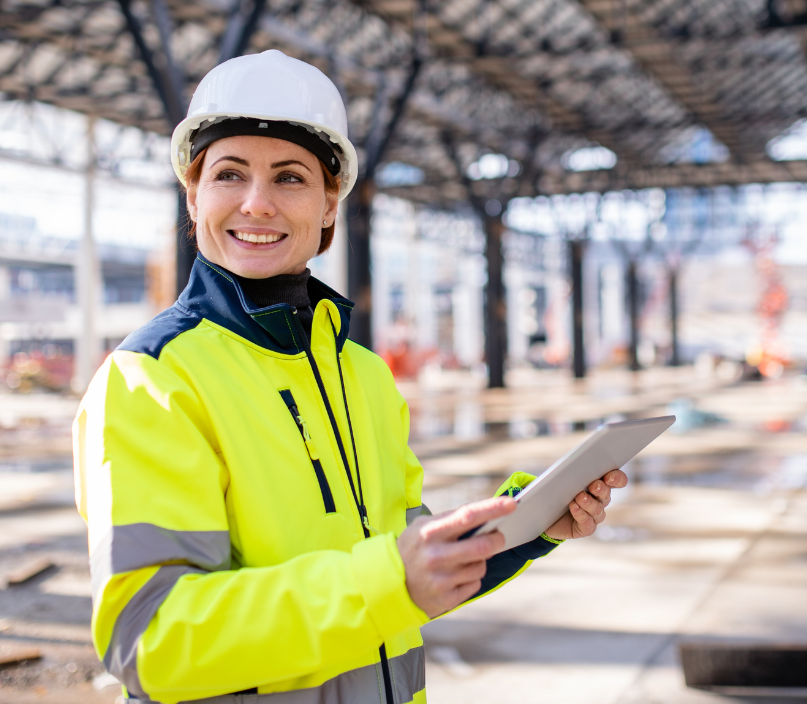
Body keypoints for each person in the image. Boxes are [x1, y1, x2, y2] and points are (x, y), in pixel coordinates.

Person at [72, 49, 627, 704]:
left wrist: (522, 529)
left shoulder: (361, 375)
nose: (257, 204)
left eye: (289, 178)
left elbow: (405, 565)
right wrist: (390, 581)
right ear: (194, 197)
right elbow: (152, 640)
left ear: (330, 203)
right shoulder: (152, 381)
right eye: (228, 174)